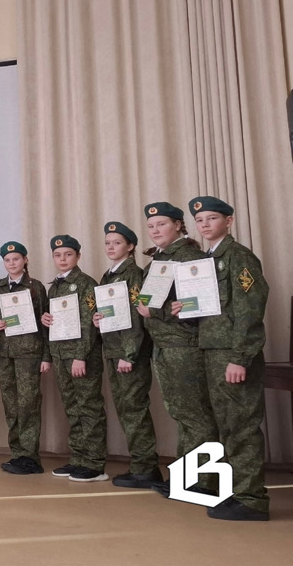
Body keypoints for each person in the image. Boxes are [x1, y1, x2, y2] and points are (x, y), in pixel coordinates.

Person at [190, 196, 269, 521]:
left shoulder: (238, 257)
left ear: (229, 221)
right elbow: (213, 310)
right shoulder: (206, 260)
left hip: (233, 356)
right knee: (226, 426)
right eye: (200, 220)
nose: (205, 225)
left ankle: (252, 500)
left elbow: (250, 310)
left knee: (242, 426)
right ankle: (238, 492)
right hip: (211, 352)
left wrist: (240, 357)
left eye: (211, 218)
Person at [135, 202, 218, 497]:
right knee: (183, 414)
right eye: (151, 226)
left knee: (195, 415)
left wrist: (153, 313)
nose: (155, 230)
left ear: (178, 225)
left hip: (184, 345)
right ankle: (187, 477)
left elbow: (200, 305)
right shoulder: (161, 259)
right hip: (165, 345)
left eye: (162, 224)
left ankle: (205, 482)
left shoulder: (188, 256)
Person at [92, 222, 160, 488]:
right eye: (108, 243)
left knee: (134, 410)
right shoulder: (108, 276)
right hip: (113, 350)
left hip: (127, 354)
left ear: (130, 246)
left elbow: (135, 318)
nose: (111, 247)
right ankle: (141, 465)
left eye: (117, 242)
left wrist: (129, 355)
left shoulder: (133, 274)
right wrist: (98, 318)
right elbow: (112, 314)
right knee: (126, 410)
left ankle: (146, 469)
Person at [41, 235, 108, 482]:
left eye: (68, 254)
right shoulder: (54, 287)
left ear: (78, 256)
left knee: (89, 407)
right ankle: (79, 458)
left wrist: (81, 356)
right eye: (58, 255)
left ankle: (95, 463)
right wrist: (45, 320)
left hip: (81, 357)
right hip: (60, 355)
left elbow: (90, 324)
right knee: (72, 408)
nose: (62, 259)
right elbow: (54, 324)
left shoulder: (86, 283)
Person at [0, 241, 51, 475]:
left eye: (16, 259)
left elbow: (46, 323)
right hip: (5, 353)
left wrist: (46, 356)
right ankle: (17, 454)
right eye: (7, 260)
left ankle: (30, 457)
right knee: (11, 405)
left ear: (25, 260)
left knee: (28, 405)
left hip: (29, 354)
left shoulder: (36, 288)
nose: (11, 263)